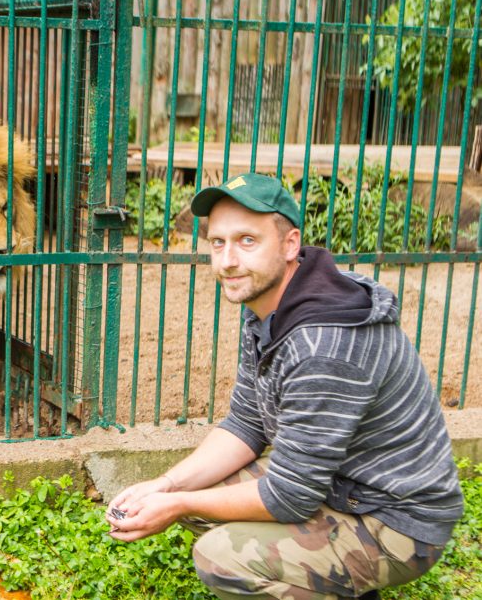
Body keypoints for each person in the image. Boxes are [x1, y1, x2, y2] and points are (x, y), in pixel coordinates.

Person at [106, 173, 463, 599]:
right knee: (192, 494)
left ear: (290, 244)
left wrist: (179, 503)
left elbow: (290, 496)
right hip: (339, 484)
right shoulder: (268, 301)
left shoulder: (323, 344)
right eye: (218, 242)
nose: (228, 260)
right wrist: (168, 485)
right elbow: (247, 421)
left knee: (221, 556)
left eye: (247, 241)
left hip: (396, 519)